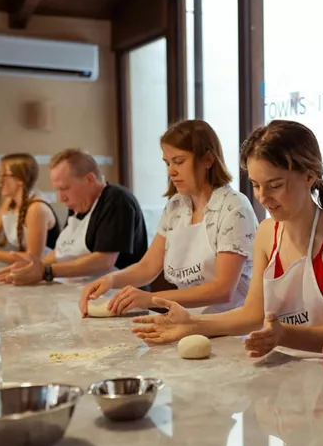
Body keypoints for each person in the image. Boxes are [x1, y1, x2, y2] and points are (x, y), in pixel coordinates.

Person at [130, 120, 323, 359]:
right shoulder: (268, 233)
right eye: (256, 185)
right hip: (279, 368)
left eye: (275, 185)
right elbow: (252, 315)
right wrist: (192, 323)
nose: (263, 197)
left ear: (309, 176)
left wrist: (284, 334)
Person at [78, 120, 259, 317]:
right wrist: (110, 280)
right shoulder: (176, 206)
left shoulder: (233, 208)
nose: (171, 171)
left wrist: (150, 299)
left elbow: (223, 290)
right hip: (188, 321)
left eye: (179, 161)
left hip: (230, 328)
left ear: (207, 159)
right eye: (167, 163)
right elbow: (148, 267)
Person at [0, 149, 148, 286]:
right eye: (57, 190)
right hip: (82, 292)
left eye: (64, 188)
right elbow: (63, 249)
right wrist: (32, 268)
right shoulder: (79, 203)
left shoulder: (116, 200)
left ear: (89, 179)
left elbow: (104, 261)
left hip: (119, 298)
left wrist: (46, 271)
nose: (61, 198)